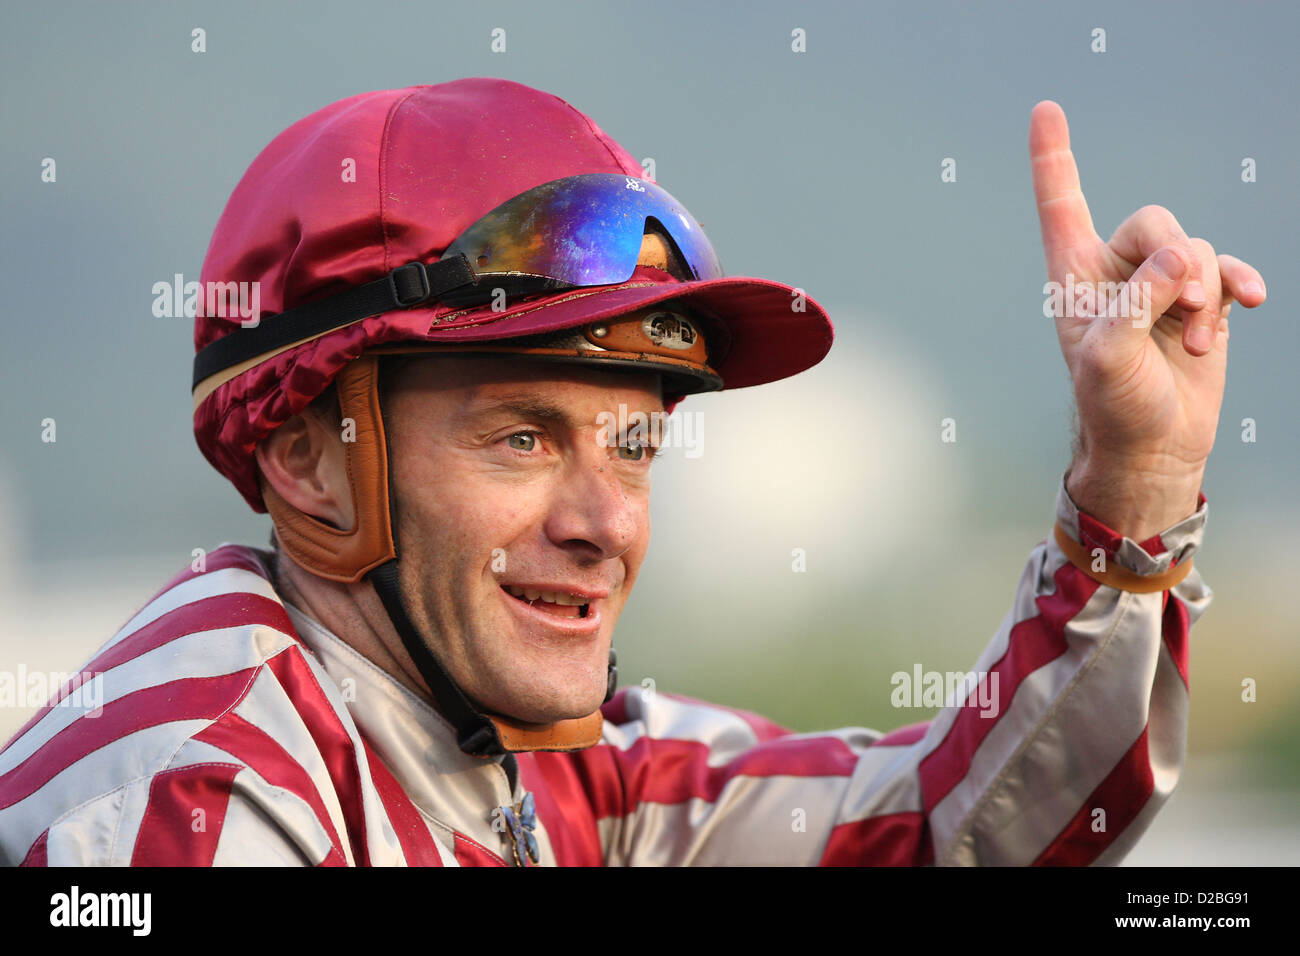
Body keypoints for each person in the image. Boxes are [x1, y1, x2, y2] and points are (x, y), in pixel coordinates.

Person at [0, 78, 1266, 866]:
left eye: (637, 443)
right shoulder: (197, 797)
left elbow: (952, 829)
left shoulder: (548, 749)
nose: (606, 522)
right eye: (523, 436)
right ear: (306, 461)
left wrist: (1135, 470)